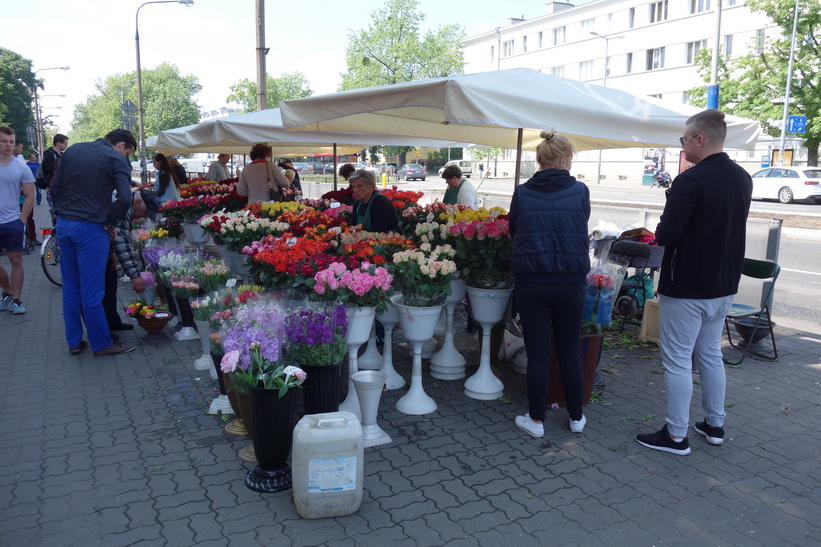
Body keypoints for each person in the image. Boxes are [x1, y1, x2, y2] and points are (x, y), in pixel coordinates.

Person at [636, 110, 753, 456]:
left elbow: (666, 234)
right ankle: (714, 424)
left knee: (677, 361)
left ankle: (675, 435)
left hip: (687, 285)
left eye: (684, 139)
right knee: (709, 355)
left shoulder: (690, 181)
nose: (682, 145)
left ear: (701, 139)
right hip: (724, 284)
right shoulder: (742, 177)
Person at [509, 130, 590, 438]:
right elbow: (581, 222)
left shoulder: (522, 192)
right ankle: (576, 417)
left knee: (538, 352)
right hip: (571, 281)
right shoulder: (580, 191)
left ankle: (536, 419)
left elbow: (514, 229)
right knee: (569, 350)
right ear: (564, 159)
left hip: (533, 281)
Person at [50, 129, 137, 357]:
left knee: (71, 288)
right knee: (92, 291)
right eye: (128, 151)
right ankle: (101, 343)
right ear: (120, 145)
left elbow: (54, 187)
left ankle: (75, 341)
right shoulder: (116, 158)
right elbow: (126, 199)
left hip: (65, 225)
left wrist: (61, 212)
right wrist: (110, 222)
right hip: (91, 227)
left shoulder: (73, 150)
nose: (126, 156)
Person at [104, 190, 158, 331]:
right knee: (101, 291)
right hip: (92, 247)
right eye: (145, 212)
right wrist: (134, 275)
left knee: (110, 285)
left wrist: (111, 253)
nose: (143, 216)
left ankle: (112, 322)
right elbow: (121, 242)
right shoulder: (123, 206)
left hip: (103, 248)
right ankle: (104, 332)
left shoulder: (126, 203)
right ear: (138, 202)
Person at [0, 126, 36, 315]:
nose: (8, 145)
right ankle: (6, 291)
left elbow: (30, 195)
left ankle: (16, 300)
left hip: (12, 221)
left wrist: (21, 220)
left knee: (16, 260)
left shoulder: (21, 167)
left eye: (11, 141)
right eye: (4, 141)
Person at [349, 168, 399, 233]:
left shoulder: (380, 203)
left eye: (359, 186)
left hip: (387, 241)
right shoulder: (358, 202)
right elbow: (353, 226)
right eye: (353, 187)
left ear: (371, 186)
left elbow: (379, 232)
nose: (355, 190)